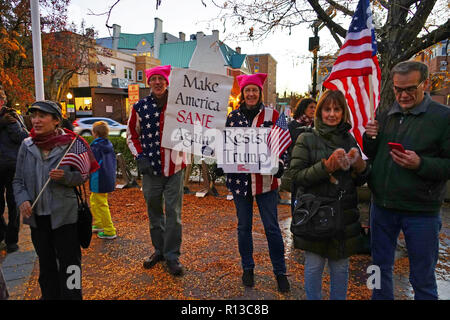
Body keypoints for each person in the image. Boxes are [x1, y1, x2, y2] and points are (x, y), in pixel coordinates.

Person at [363, 61, 450, 300]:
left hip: (421, 211)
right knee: (378, 270)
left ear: (426, 84)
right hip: (382, 207)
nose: (403, 95)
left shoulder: (443, 117)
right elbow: (373, 154)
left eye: (410, 88)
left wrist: (420, 164)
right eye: (398, 89)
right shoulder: (387, 113)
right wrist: (369, 137)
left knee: (422, 277)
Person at [289, 90, 370, 300]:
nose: (332, 114)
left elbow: (359, 181)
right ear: (319, 112)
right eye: (327, 109)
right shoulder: (306, 138)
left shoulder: (350, 139)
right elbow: (294, 177)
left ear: (343, 112)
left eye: (337, 109)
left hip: (343, 218)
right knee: (314, 268)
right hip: (316, 215)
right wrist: (326, 167)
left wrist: (360, 167)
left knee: (341, 270)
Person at [13, 100, 94, 300]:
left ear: (56, 120)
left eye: (42, 116)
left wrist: (66, 178)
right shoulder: (27, 145)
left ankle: (72, 296)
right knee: (46, 263)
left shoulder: (71, 145)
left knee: (70, 264)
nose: (36, 121)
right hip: (37, 217)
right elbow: (18, 180)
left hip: (65, 216)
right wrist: (22, 200)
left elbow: (84, 175)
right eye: (34, 116)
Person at [219, 73, 290, 293]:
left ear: (260, 93)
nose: (251, 94)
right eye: (247, 90)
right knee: (243, 228)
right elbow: (225, 145)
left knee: (272, 228)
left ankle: (280, 272)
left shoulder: (274, 115)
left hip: (265, 182)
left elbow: (285, 143)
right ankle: (247, 268)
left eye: (254, 90)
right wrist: (221, 162)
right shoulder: (232, 117)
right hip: (240, 182)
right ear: (242, 93)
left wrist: (281, 163)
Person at [127, 65, 187, 276]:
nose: (158, 82)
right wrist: (139, 156)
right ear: (149, 82)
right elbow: (131, 136)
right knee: (154, 211)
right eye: (154, 79)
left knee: (173, 213)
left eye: (161, 79)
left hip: (175, 167)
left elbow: (197, 126)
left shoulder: (180, 104)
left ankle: (172, 255)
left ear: (167, 81)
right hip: (150, 169)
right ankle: (159, 250)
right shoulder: (139, 107)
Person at [0, 85, 28, 253]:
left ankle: (11, 240)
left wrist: (11, 125)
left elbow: (23, 137)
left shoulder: (13, 116)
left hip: (12, 166)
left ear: (3, 101)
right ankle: (2, 233)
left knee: (13, 204)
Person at [89, 121, 117, 239]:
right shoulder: (107, 144)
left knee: (100, 203)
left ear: (95, 133)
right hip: (106, 176)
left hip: (98, 177)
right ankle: (100, 223)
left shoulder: (95, 145)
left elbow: (91, 161)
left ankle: (109, 229)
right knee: (95, 200)